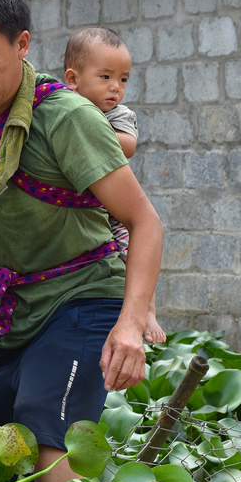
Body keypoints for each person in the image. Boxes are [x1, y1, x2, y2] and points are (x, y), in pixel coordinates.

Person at [0, 0, 162, 482]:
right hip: (11, 310)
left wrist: (131, 323)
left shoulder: (67, 118)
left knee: (44, 427)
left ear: (22, 44)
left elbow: (144, 221)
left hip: (81, 296)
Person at [62, 25, 166, 345]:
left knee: (131, 256)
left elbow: (128, 145)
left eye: (123, 79)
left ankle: (146, 310)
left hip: (113, 211)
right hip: (79, 210)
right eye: (105, 77)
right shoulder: (61, 109)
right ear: (73, 79)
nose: (115, 88)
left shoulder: (118, 115)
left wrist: (88, 135)